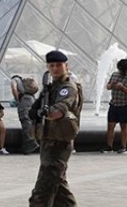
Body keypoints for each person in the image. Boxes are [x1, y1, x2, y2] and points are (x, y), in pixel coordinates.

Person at [28, 50, 82, 206]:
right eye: (52, 65)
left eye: (59, 65)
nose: (55, 68)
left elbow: (58, 111)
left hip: (59, 143)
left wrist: (43, 112)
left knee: (41, 193)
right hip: (49, 140)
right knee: (59, 191)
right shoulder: (51, 88)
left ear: (66, 65)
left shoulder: (68, 87)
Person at [102, 58, 127, 154]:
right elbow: (107, 87)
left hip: (124, 104)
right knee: (110, 125)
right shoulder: (115, 74)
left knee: (123, 125)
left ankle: (123, 146)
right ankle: (109, 146)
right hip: (113, 103)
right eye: (121, 70)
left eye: (124, 70)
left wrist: (122, 87)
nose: (122, 72)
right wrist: (111, 84)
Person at [11, 75, 40, 154]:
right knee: (31, 122)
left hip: (24, 100)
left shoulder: (14, 80)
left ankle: (29, 144)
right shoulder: (26, 82)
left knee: (25, 121)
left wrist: (18, 99)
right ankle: (32, 142)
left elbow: (14, 88)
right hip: (31, 99)